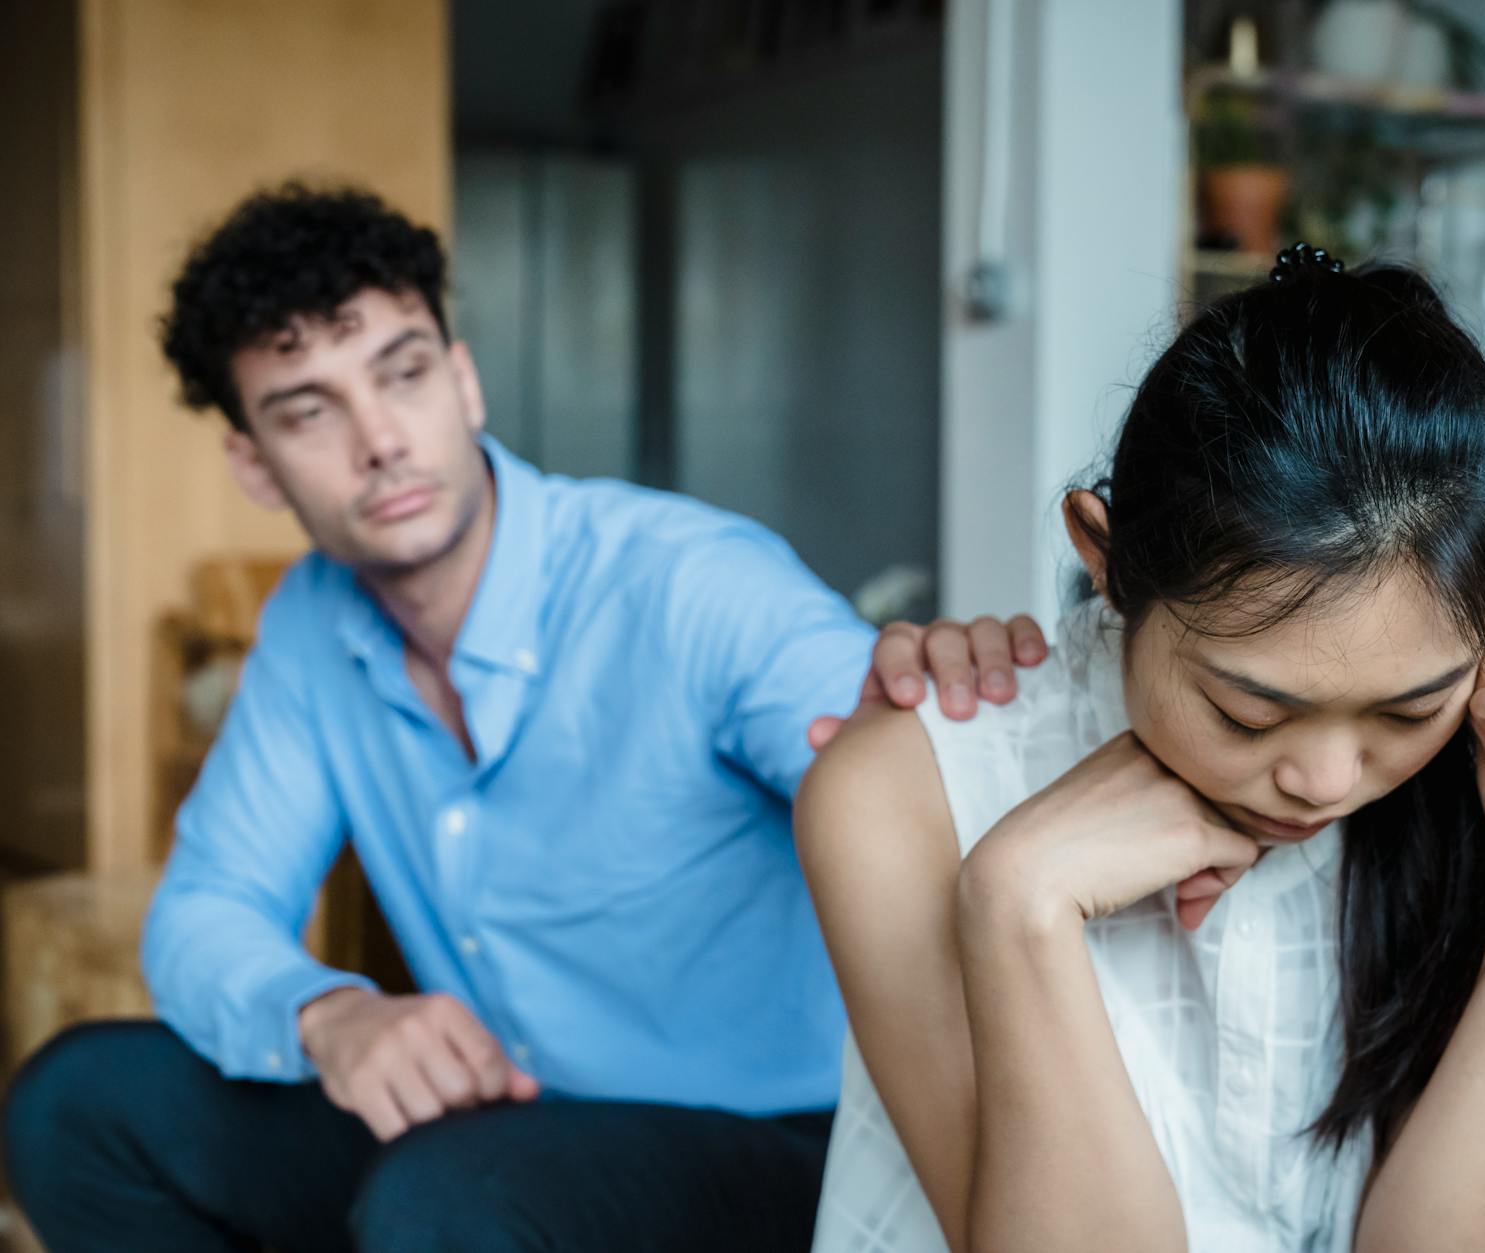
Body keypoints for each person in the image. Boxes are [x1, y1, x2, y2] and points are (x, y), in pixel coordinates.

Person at [1, 183, 1044, 1253]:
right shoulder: (312, 626)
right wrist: (331, 1015)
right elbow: (205, 910)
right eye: (309, 409)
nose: (379, 442)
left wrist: (943, 711)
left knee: (447, 1196)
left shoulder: (687, 582)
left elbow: (904, 776)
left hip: (781, 1146)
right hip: (516, 1123)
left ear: (462, 380)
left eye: (402, 373)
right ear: (255, 464)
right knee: (76, 1103)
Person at [797, 245, 1485, 1253]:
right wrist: (1016, 901)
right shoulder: (905, 786)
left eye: (1406, 711)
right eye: (1246, 712)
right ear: (1102, 557)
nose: (1322, 780)